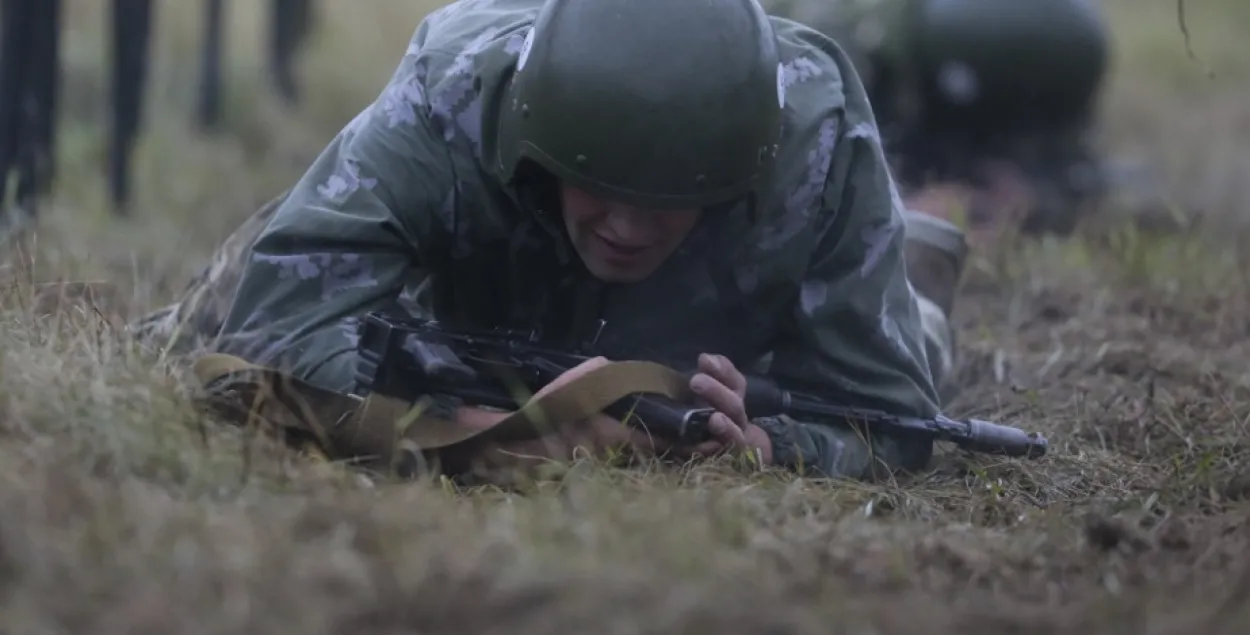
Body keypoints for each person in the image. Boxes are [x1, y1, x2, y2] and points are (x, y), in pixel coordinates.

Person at [131, 0, 973, 481]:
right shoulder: (449, 98)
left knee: (915, 336)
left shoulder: (815, 137)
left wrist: (768, 444)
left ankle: (915, 270)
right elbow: (272, 334)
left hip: (729, 335)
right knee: (202, 315)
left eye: (671, 201)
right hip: (481, 317)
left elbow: (891, 421)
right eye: (601, 184)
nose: (628, 228)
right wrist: (496, 430)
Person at [765, 0, 1122, 244]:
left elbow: (1078, 174)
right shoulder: (845, 53)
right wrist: (899, 209)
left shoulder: (1060, 50)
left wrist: (1028, 201)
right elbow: (790, 183)